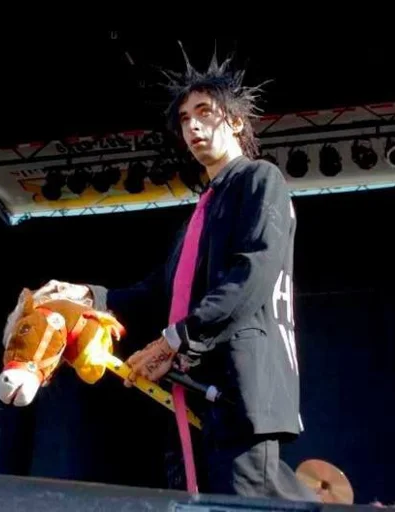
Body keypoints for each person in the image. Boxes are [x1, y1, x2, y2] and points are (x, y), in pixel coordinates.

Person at [29, 44, 317, 501]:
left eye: (204, 112)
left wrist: (171, 342)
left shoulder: (260, 180)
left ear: (235, 121)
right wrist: (86, 295)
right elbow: (156, 292)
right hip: (193, 399)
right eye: (184, 119)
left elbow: (251, 274)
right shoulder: (196, 218)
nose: (193, 126)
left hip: (241, 396)